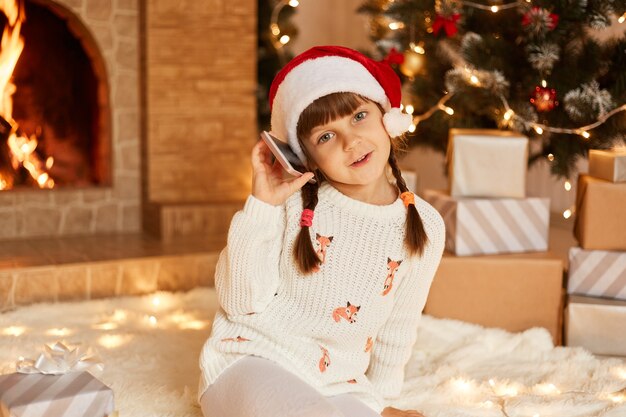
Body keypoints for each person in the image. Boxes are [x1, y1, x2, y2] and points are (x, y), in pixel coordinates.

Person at [198, 45, 445, 417]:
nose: (351, 142)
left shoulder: (425, 225)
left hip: (338, 384)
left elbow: (398, 326)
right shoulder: (289, 205)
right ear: (308, 158)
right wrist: (262, 206)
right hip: (252, 360)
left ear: (387, 119)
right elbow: (240, 302)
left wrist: (382, 402)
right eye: (326, 137)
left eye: (360, 116)